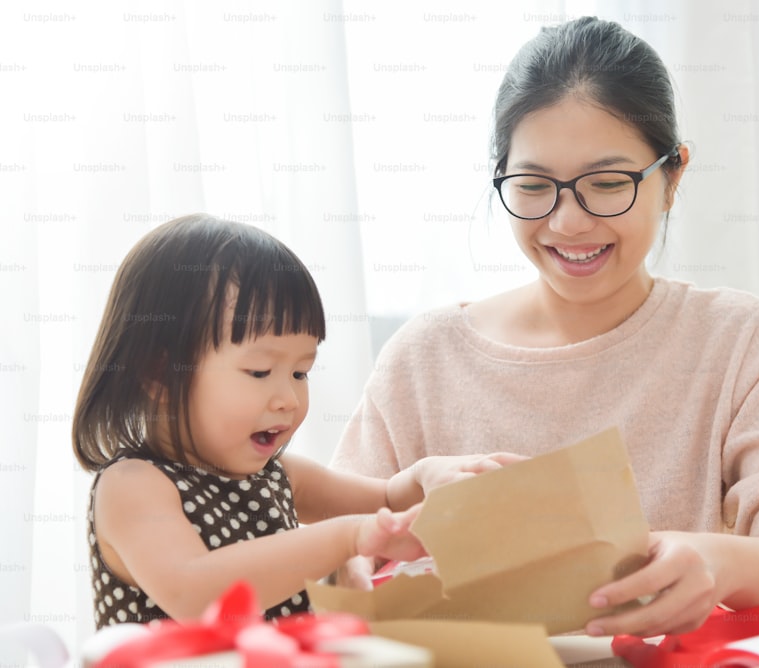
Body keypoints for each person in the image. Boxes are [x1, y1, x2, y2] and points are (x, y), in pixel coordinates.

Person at [331, 16, 759, 638]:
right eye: (532, 186)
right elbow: (325, 547)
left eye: (608, 184)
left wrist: (718, 563)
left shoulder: (735, 338)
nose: (568, 222)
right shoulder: (424, 357)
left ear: (673, 177)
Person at [72, 214, 519, 629]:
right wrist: (348, 538)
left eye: (300, 372)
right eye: (260, 372)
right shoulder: (134, 485)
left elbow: (383, 500)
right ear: (159, 373)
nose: (288, 399)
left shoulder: (279, 476)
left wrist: (428, 477)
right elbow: (197, 594)